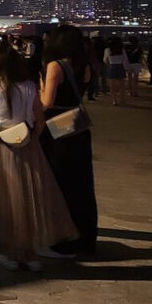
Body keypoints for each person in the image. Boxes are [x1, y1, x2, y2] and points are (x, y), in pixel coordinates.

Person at [0, 48, 76, 272]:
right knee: (30, 196)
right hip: (29, 144)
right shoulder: (31, 86)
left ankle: (11, 253)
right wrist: (29, 137)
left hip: (1, 143)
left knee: (7, 198)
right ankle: (31, 254)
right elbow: (40, 121)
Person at [40, 26, 97, 257]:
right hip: (78, 129)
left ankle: (65, 240)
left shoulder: (56, 66)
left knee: (62, 185)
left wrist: (41, 86)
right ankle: (85, 238)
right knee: (82, 185)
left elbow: (47, 102)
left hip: (57, 130)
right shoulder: (84, 66)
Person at [104, 35, 127, 106]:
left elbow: (105, 60)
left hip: (112, 67)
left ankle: (114, 100)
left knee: (112, 86)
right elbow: (125, 60)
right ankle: (122, 99)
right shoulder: (122, 50)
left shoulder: (108, 50)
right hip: (120, 67)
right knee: (121, 85)